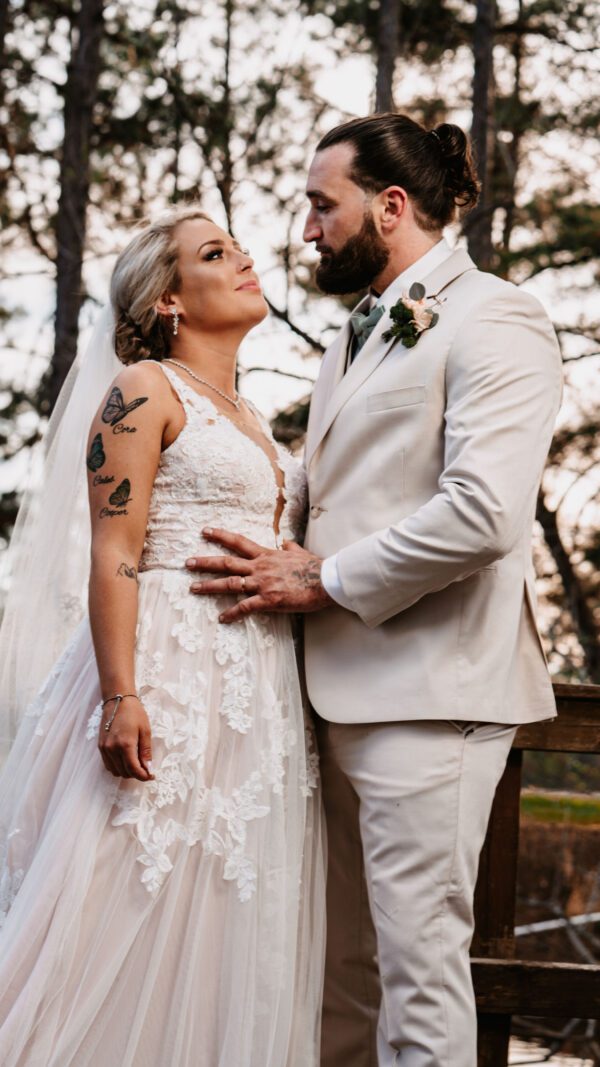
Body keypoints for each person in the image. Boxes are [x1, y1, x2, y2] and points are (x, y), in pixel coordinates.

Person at [185, 115, 563, 1066]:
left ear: (390, 206)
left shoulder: (496, 317)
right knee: (334, 973)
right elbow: (328, 488)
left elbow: (484, 513)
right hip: (323, 703)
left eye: (323, 204)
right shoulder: (354, 332)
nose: (307, 229)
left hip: (432, 700)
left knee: (418, 973)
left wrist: (325, 576)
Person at [0, 204, 325, 1067]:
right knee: (118, 899)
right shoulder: (145, 388)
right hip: (164, 667)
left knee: (218, 911)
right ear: (171, 300)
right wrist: (121, 693)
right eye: (215, 253)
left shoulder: (255, 418)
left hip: (254, 691)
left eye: (238, 245)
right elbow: (114, 552)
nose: (246, 258)